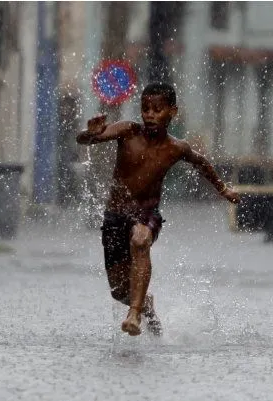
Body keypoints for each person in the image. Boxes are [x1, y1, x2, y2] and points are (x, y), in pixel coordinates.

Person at [76, 82, 241, 337]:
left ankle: (134, 314)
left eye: (157, 109)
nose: (150, 115)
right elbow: (87, 139)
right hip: (115, 216)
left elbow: (202, 163)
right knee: (119, 291)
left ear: (172, 112)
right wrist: (90, 133)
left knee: (141, 240)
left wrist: (223, 190)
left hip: (147, 214)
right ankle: (145, 306)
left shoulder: (177, 148)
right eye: (145, 109)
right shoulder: (128, 131)